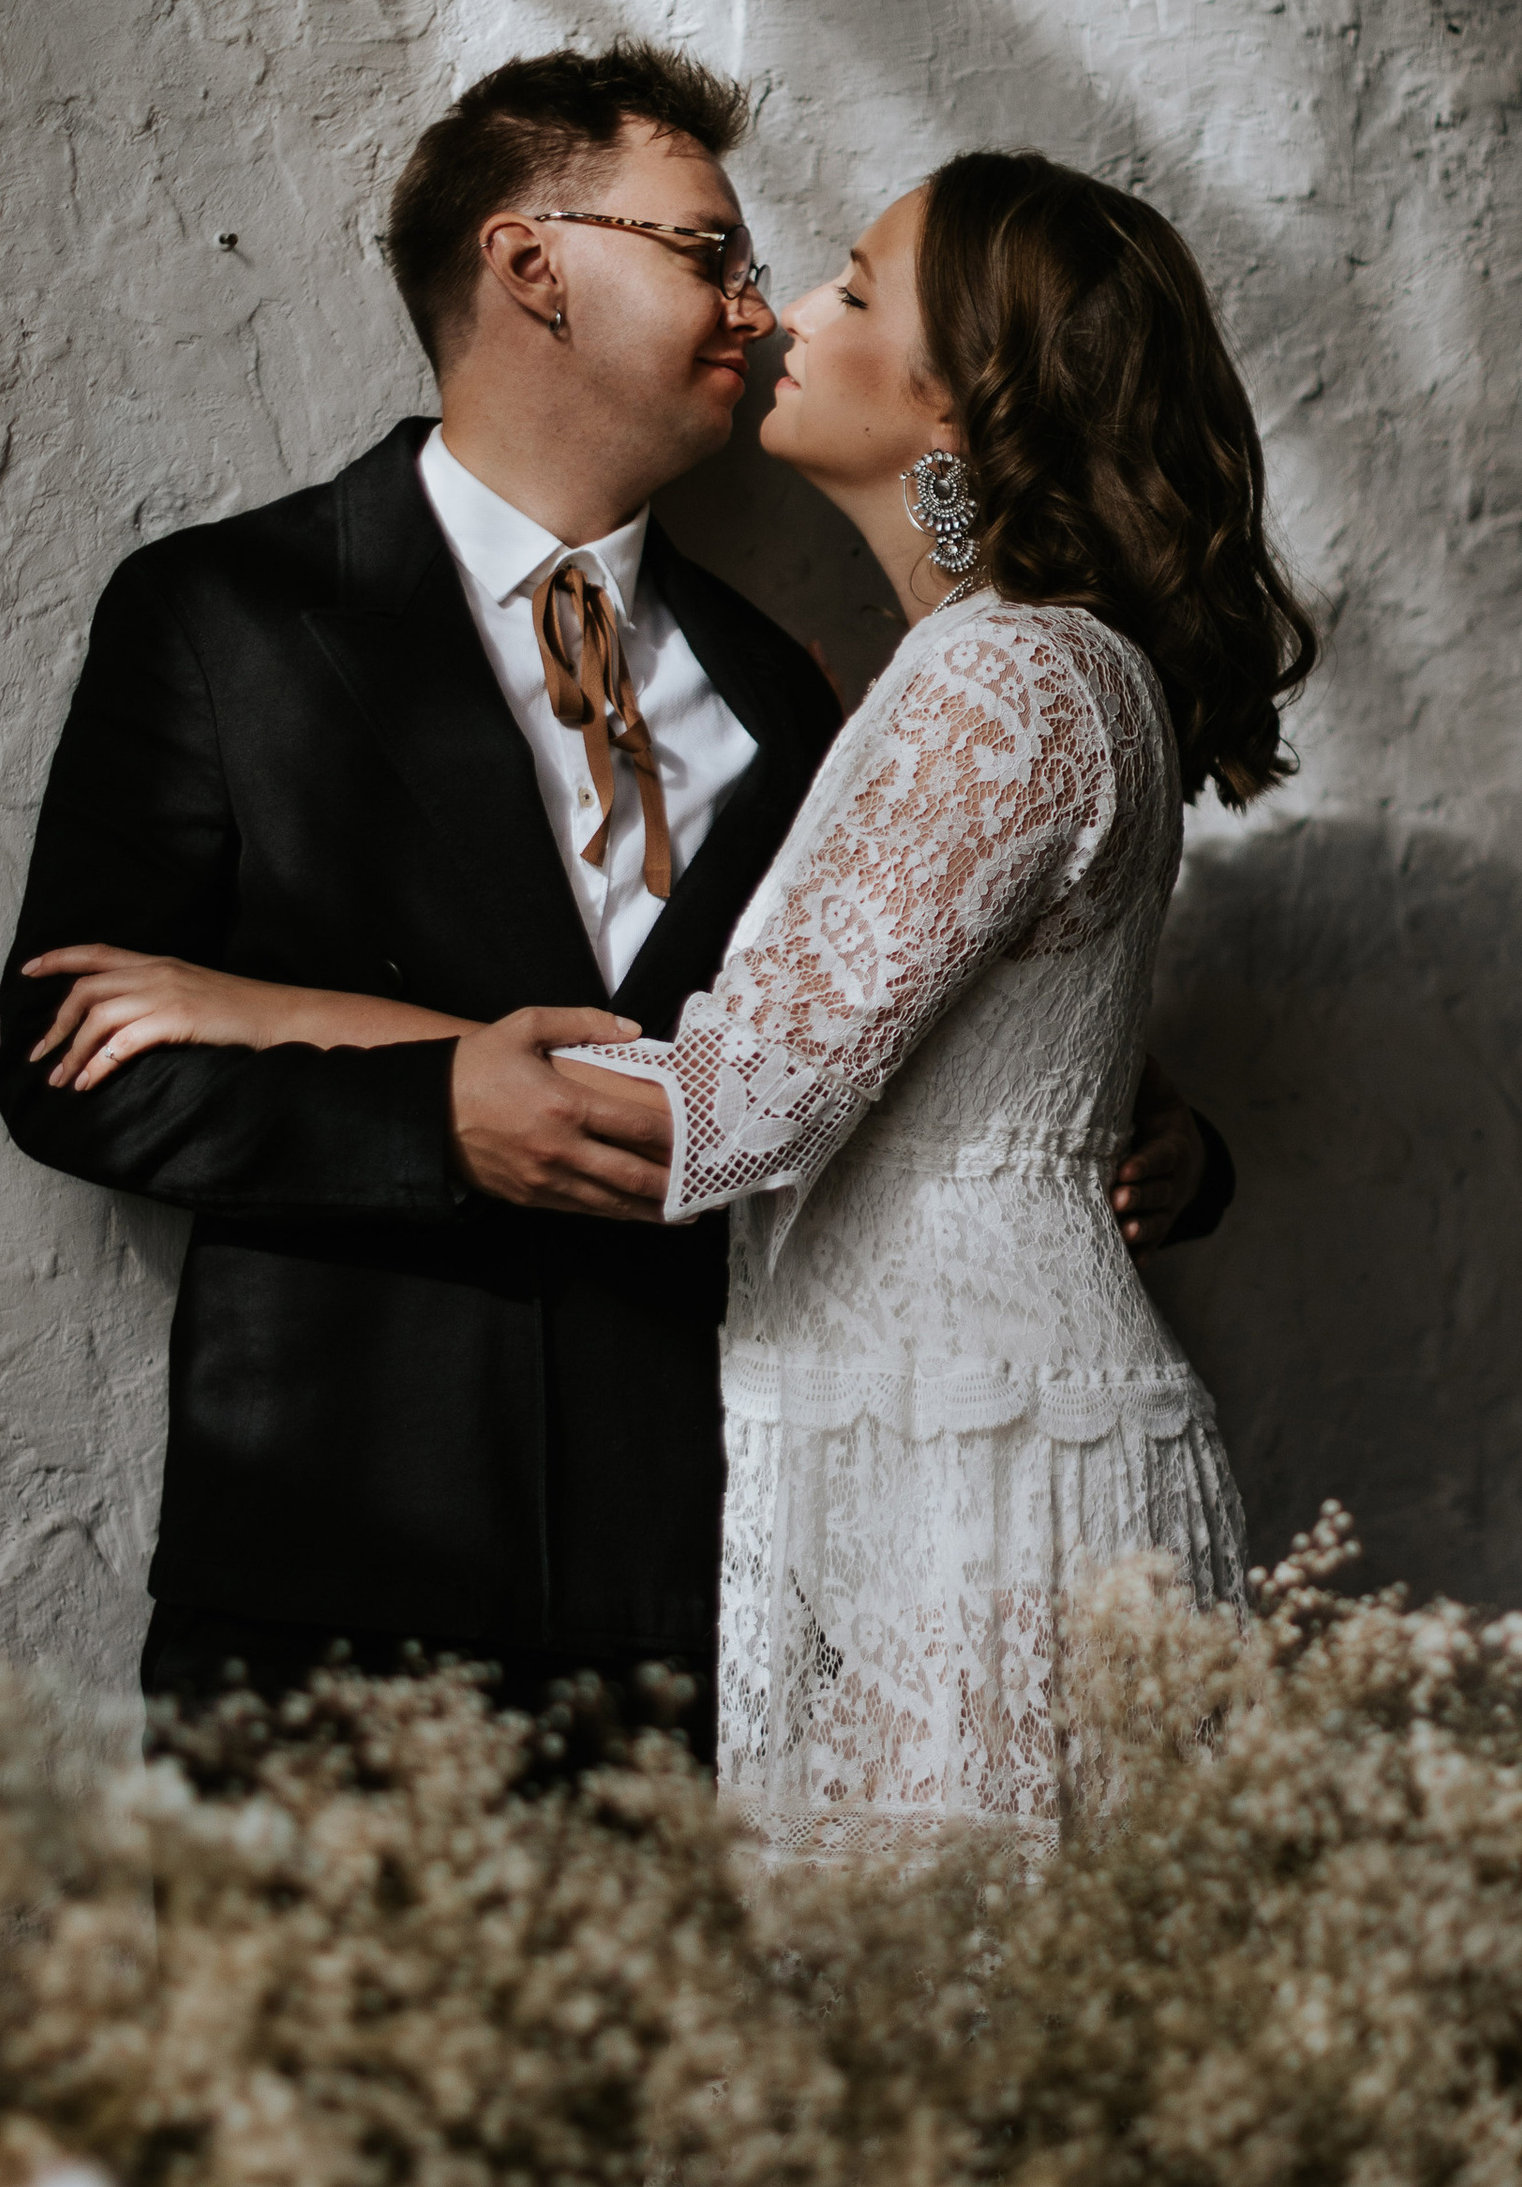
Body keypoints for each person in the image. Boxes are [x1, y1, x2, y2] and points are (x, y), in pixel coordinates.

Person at [0, 49, 1224, 1732]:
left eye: (778, 267)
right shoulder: (227, 616)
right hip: (335, 1584)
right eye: (706, 251)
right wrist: (435, 1114)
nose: (760, 305)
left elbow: (870, 1052)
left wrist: (1136, 1128)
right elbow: (68, 1052)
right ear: (530, 263)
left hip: (718, 1603)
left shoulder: (802, 689)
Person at [560, 152, 1315, 1865]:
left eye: (847, 286)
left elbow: (750, 1102)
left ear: (962, 405)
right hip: (945, 1427)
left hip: (974, 1462)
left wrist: (299, 1034)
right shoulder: (1017, 651)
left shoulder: (1007, 673)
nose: (791, 317)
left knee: (948, 2060)